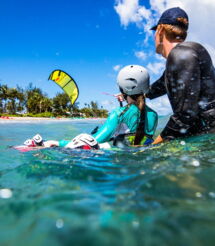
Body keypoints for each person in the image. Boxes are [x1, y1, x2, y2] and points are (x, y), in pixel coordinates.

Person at [24, 65, 158, 150]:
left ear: (122, 87)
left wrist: (58, 143)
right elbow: (135, 135)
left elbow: (94, 142)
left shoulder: (118, 113)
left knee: (60, 144)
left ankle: (48, 143)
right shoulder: (154, 115)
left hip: (117, 161)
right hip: (136, 156)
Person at [145, 7, 215, 144]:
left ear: (160, 30)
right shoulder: (185, 55)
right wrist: (138, 95)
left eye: (154, 32)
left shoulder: (181, 55)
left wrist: (152, 147)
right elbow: (159, 86)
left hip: (208, 138)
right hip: (205, 135)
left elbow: (185, 115)